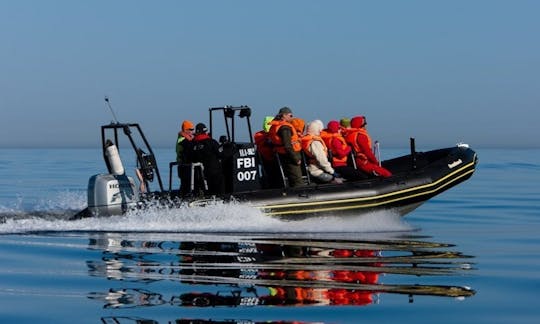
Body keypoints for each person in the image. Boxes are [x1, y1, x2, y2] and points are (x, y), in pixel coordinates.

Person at [268, 107, 304, 187]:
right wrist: (295, 158)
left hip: (282, 154)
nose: (292, 117)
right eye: (290, 115)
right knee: (297, 179)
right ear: (284, 115)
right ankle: (300, 194)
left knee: (291, 178)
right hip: (290, 156)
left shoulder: (275, 126)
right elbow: (287, 146)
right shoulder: (285, 128)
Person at [187, 123, 226, 195]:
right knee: (220, 186)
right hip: (214, 171)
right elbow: (221, 154)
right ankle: (221, 199)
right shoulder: (212, 142)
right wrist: (232, 150)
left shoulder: (193, 144)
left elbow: (191, 156)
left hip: (201, 173)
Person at [254, 116, 279, 188]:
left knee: (265, 173)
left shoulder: (258, 136)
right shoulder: (271, 136)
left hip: (263, 159)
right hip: (271, 159)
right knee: (272, 175)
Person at [176, 120, 195, 196]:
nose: (192, 131)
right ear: (185, 130)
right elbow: (189, 147)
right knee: (185, 184)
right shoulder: (182, 139)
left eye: (192, 129)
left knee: (186, 184)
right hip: (183, 165)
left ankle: (183, 197)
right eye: (190, 130)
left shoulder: (186, 138)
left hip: (185, 165)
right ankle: (184, 199)